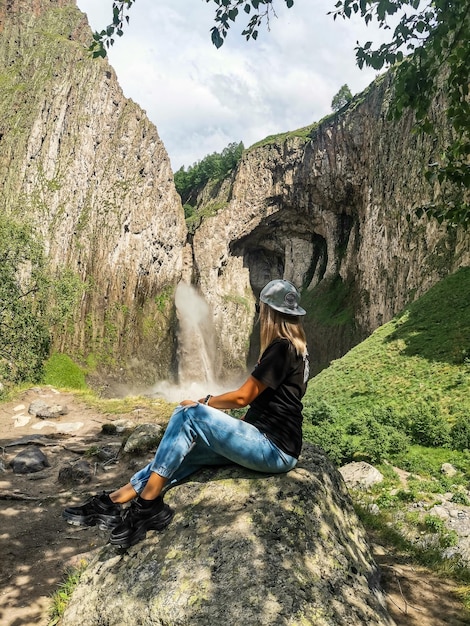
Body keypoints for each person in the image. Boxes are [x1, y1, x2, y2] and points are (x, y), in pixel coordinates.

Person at [63, 279, 310, 549]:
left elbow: (242, 397)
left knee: (188, 413)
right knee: (183, 453)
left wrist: (206, 401)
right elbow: (276, 404)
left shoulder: (282, 348)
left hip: (272, 448)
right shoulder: (297, 350)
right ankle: (113, 501)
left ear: (268, 313)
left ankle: (147, 506)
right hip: (271, 443)